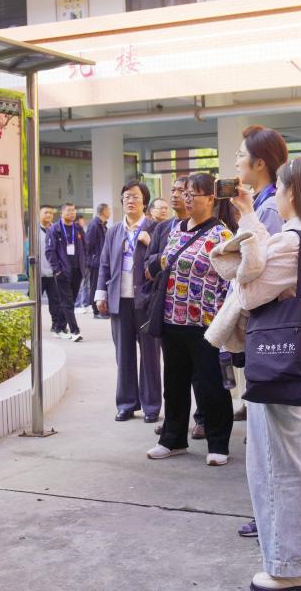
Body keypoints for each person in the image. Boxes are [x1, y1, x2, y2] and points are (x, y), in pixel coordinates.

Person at [223, 156, 301, 590]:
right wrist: (251, 218)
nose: (275, 194)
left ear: (293, 191)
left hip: (280, 360)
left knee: (278, 464)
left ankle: (289, 567)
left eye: (278, 186)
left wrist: (247, 231)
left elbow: (249, 293)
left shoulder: (293, 241)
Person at [147, 173, 235, 466]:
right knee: (174, 383)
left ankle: (218, 443)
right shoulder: (177, 229)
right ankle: (172, 439)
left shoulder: (221, 235)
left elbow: (229, 281)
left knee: (211, 384)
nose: (185, 199)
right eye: (184, 193)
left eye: (192, 194)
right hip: (172, 318)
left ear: (210, 198)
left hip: (206, 324)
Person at [146, 177, 206, 439]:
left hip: (198, 312)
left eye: (182, 191)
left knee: (201, 373)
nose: (176, 195)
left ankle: (202, 419)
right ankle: (174, 425)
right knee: (174, 373)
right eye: (173, 190)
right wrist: (162, 262)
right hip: (168, 306)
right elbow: (151, 259)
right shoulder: (163, 228)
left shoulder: (210, 229)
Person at [96, 181, 160, 423]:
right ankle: (126, 404)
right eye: (126, 197)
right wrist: (101, 294)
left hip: (146, 300)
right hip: (119, 300)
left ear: (144, 202)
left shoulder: (156, 228)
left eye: (134, 196)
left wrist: (149, 243)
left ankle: (151, 406)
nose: (129, 201)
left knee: (150, 356)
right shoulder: (114, 231)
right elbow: (104, 264)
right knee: (123, 355)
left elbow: (165, 259)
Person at [235, 124, 289, 235]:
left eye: (241, 155)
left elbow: (265, 247)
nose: (237, 163)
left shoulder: (270, 208)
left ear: (259, 164)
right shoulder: (255, 200)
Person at [45, 201, 86, 342]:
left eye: (73, 210)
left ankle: (59, 327)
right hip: (62, 271)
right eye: (68, 210)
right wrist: (57, 270)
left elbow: (85, 247)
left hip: (77, 271)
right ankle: (75, 331)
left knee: (69, 301)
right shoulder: (54, 229)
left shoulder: (78, 228)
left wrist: (84, 265)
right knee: (67, 301)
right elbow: (49, 251)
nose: (72, 213)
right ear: (61, 213)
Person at [38, 206, 67, 336]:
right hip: (38, 273)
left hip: (54, 272)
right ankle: (30, 325)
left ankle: (56, 325)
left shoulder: (57, 230)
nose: (49, 215)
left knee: (56, 301)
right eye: (46, 212)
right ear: (39, 214)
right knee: (33, 300)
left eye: (51, 212)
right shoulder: (33, 231)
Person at [86, 203, 111, 320]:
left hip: (102, 261)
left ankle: (102, 310)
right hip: (95, 262)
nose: (110, 212)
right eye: (109, 210)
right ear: (104, 211)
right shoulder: (94, 225)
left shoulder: (103, 225)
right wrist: (91, 258)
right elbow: (88, 244)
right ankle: (96, 311)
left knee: (101, 285)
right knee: (95, 286)